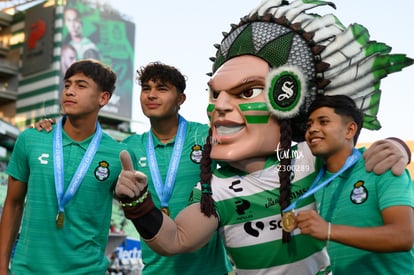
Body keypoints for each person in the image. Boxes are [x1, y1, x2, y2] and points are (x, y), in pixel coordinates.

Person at [114, 0, 413, 274]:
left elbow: (351, 150)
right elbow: (176, 240)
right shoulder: (214, 187)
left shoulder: (305, 159)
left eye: (246, 92)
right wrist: (139, 204)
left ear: (286, 99)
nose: (220, 106)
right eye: (216, 94)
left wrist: (397, 147)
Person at [33, 62, 233, 274]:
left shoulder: (205, 136)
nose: (151, 95)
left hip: (212, 269)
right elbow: (81, 155)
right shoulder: (128, 148)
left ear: (181, 99)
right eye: (146, 88)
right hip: (154, 270)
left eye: (162, 89)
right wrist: (53, 129)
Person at [0, 59, 135, 274]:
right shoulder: (32, 138)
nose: (70, 91)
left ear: (104, 97)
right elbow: (13, 204)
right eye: (68, 84)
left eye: (81, 86)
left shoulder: (117, 153)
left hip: (87, 270)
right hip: (27, 270)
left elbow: (134, 207)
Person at [295, 94, 414, 274]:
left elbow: (403, 237)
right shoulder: (318, 178)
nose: (312, 129)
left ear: (350, 130)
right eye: (309, 124)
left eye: (323, 121)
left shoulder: (382, 166)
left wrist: (328, 230)